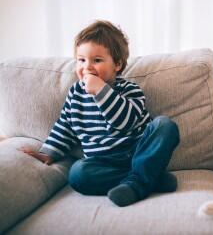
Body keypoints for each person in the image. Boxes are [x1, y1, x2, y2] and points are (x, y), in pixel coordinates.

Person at [21, 20, 180, 207]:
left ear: (117, 64)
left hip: (139, 151)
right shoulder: (75, 94)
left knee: (165, 125)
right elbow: (65, 126)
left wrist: (101, 90)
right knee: (78, 174)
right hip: (104, 163)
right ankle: (148, 178)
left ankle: (137, 184)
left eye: (96, 60)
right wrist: (49, 152)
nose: (87, 67)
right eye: (81, 60)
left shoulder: (130, 90)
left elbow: (124, 122)